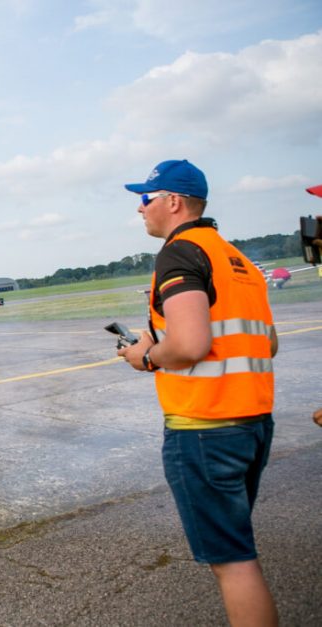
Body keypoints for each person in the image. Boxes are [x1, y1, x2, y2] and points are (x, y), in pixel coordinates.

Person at [117, 160, 279, 627]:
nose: (140, 210)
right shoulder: (235, 258)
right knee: (237, 549)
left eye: (145, 199)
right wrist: (159, 342)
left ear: (173, 202)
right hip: (253, 423)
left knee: (234, 561)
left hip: (206, 428)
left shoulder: (180, 252)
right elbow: (265, 341)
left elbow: (190, 345)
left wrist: (146, 357)